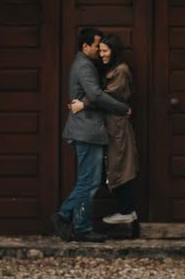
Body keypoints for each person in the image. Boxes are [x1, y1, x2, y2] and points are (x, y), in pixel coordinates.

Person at [50, 28, 131, 242]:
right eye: (96, 45)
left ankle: (74, 222)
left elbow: (91, 95)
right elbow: (95, 94)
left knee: (89, 180)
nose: (99, 49)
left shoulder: (86, 64)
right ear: (85, 47)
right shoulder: (84, 66)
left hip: (88, 131)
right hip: (87, 131)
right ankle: (71, 220)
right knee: (89, 181)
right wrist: (122, 108)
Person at [69, 34, 139, 226]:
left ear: (114, 51)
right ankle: (126, 210)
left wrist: (84, 104)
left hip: (118, 127)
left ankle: (126, 211)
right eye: (100, 50)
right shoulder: (110, 69)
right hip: (109, 126)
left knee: (120, 167)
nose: (101, 54)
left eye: (105, 50)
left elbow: (104, 96)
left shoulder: (121, 71)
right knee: (112, 168)